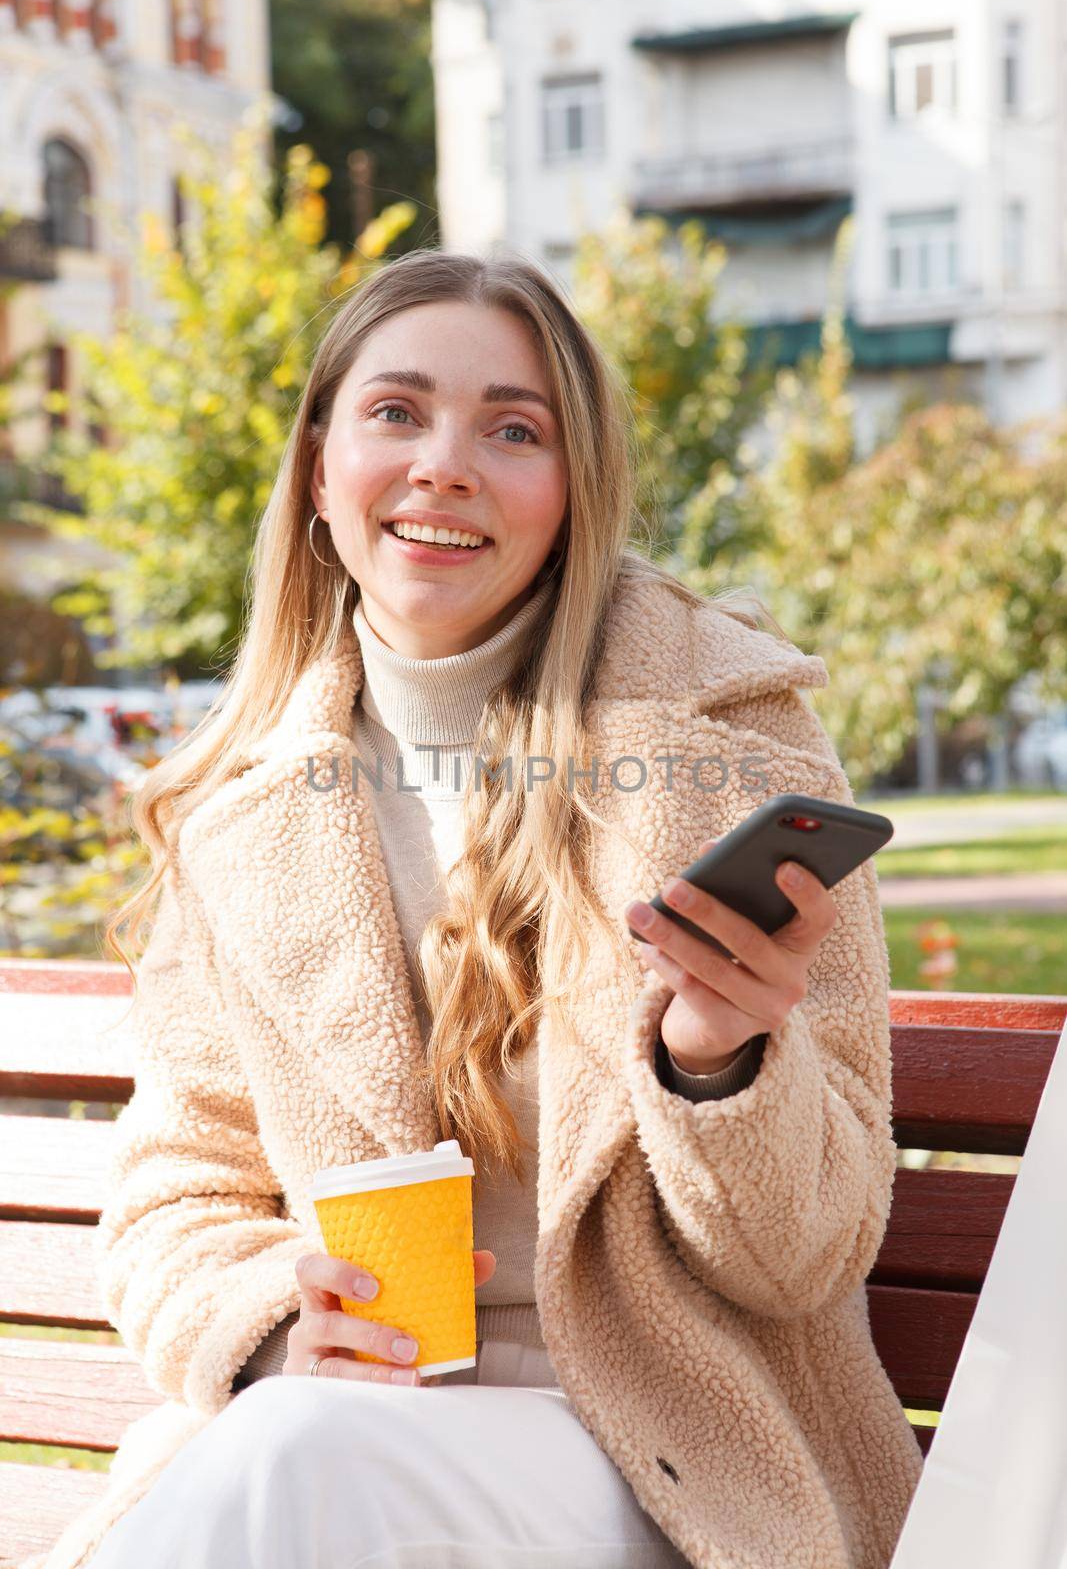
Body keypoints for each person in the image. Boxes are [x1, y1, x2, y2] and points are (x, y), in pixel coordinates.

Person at [34, 249, 923, 1569]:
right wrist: (272, 1314)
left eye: (514, 430)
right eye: (397, 412)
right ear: (322, 468)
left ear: (571, 494)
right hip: (357, 1427)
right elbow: (181, 1193)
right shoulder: (241, 808)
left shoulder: (729, 746)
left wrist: (721, 1067)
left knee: (298, 1462)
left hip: (666, 1456)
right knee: (301, 1452)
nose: (445, 463)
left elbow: (806, 1259)